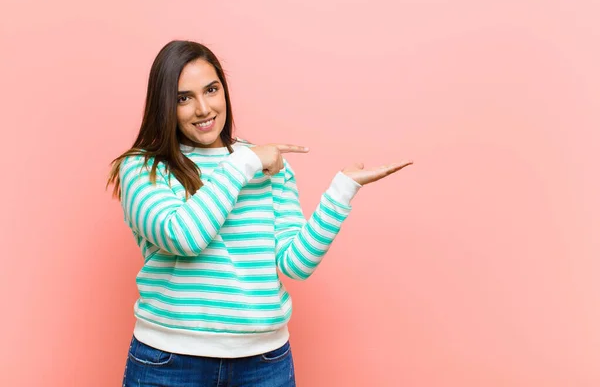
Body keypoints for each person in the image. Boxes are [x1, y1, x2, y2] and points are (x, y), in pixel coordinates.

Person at [107, 40, 412, 387]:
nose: (203, 108)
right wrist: (244, 161)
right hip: (171, 362)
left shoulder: (269, 167)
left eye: (211, 89)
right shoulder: (142, 168)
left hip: (264, 363)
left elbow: (294, 264)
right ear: (164, 105)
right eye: (183, 98)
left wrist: (341, 192)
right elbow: (185, 237)